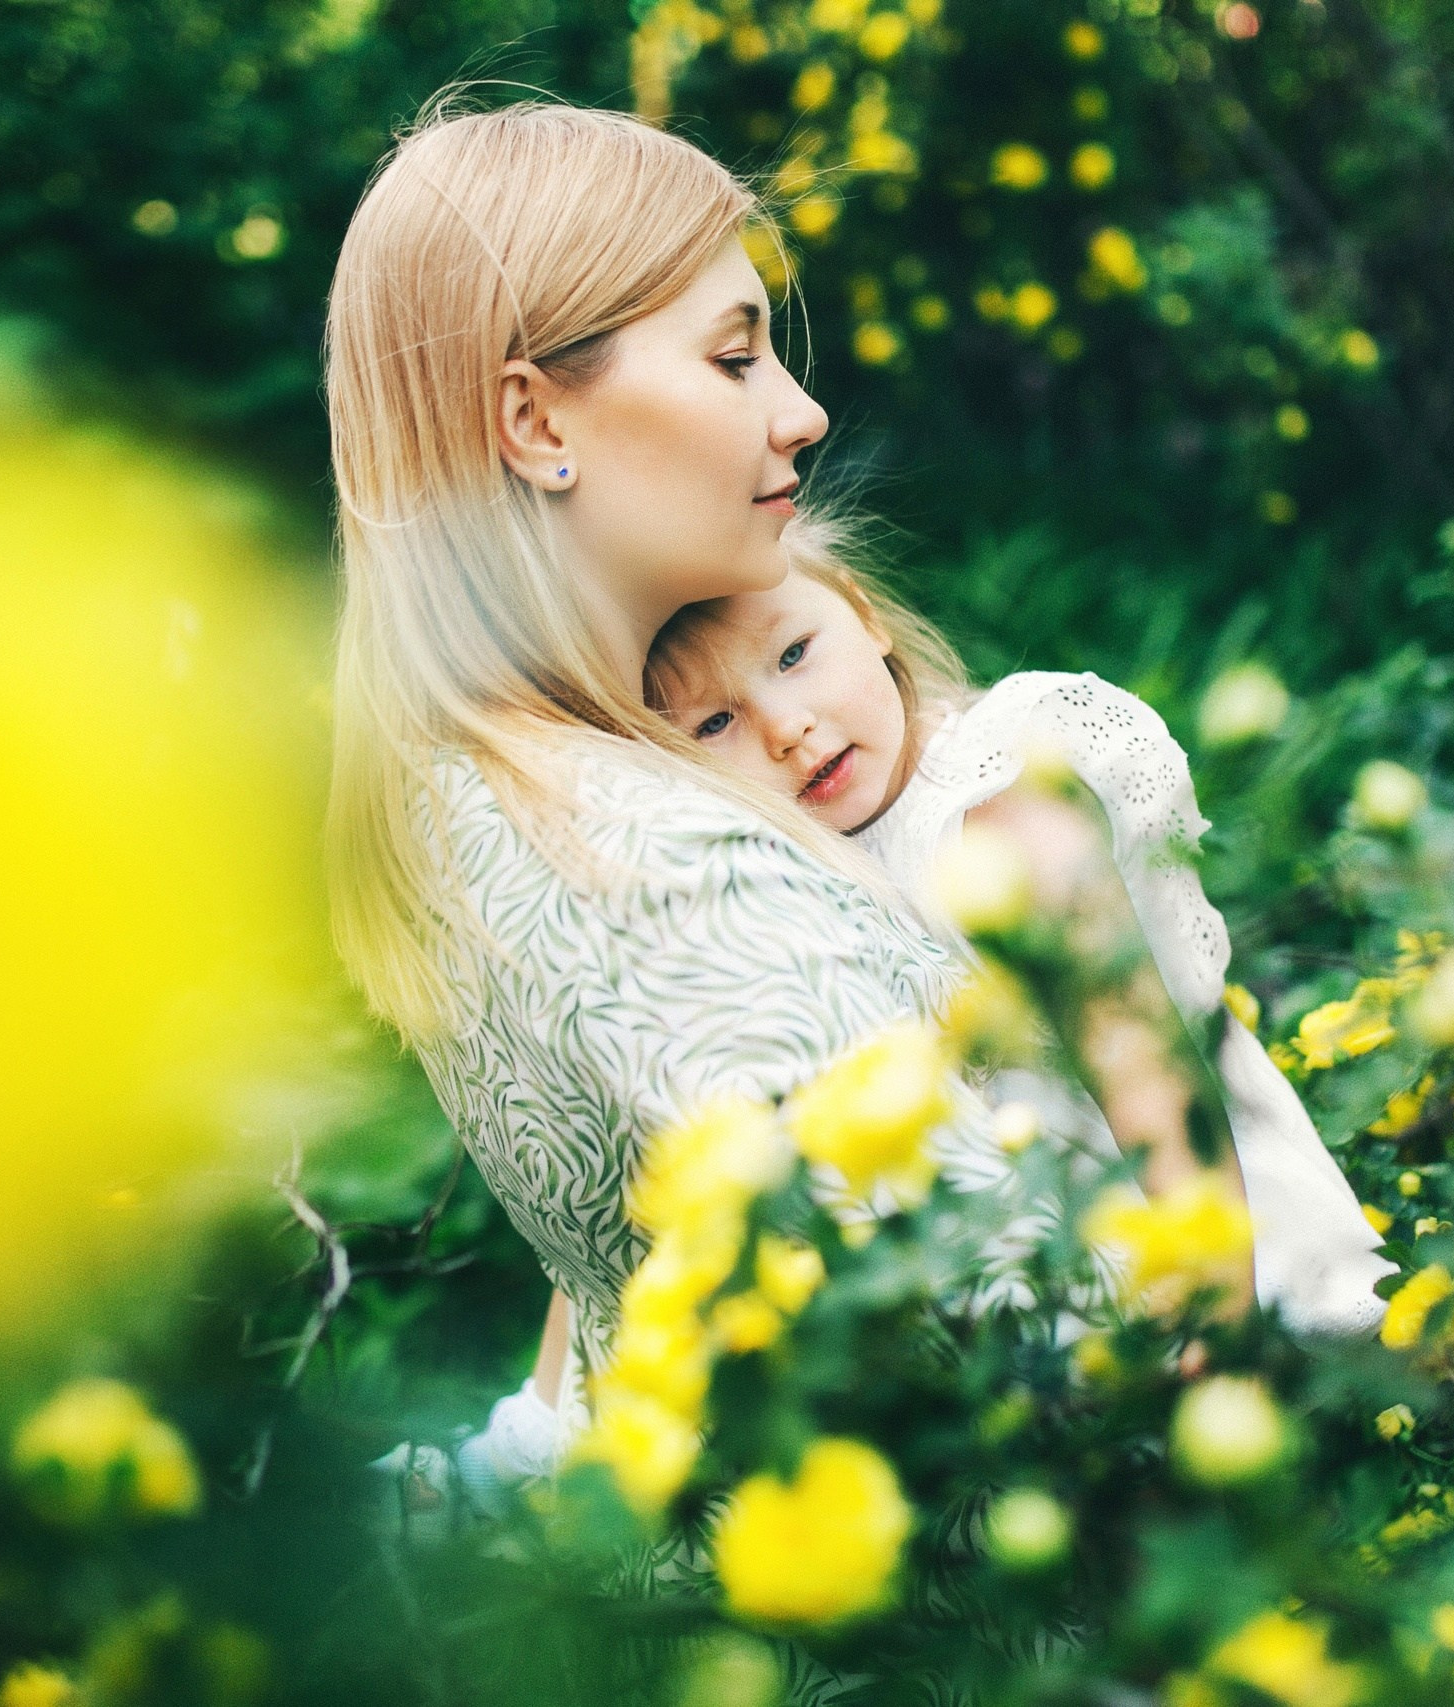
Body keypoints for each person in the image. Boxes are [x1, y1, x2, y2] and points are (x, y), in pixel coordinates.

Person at [324, 98, 1205, 1521]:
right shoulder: (663, 870)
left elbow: (627, 1288)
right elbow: (1034, 1355)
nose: (802, 411)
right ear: (535, 420)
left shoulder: (485, 786)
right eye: (734, 356)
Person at [643, 526, 1396, 1342]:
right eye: (713, 722)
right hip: (1047, 1302)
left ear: (866, 614)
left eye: (793, 655)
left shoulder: (993, 803)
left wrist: (1214, 1316)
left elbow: (1142, 1065)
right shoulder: (784, 881)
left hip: (1215, 1245)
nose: (785, 727)